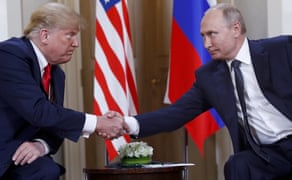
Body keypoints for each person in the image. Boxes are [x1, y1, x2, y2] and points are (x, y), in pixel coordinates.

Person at [105, 3, 292, 180]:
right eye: (203, 36)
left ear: (235, 29)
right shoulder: (210, 77)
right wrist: (127, 123)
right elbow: (176, 114)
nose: (206, 44)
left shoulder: (281, 50)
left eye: (212, 34)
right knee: (238, 164)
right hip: (266, 154)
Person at [0, 2, 127, 180]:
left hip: (19, 155)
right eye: (69, 35)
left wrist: (41, 145)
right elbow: (39, 111)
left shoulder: (56, 74)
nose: (76, 44)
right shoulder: (8, 54)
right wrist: (97, 123)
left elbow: (55, 122)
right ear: (44, 35)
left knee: (47, 170)